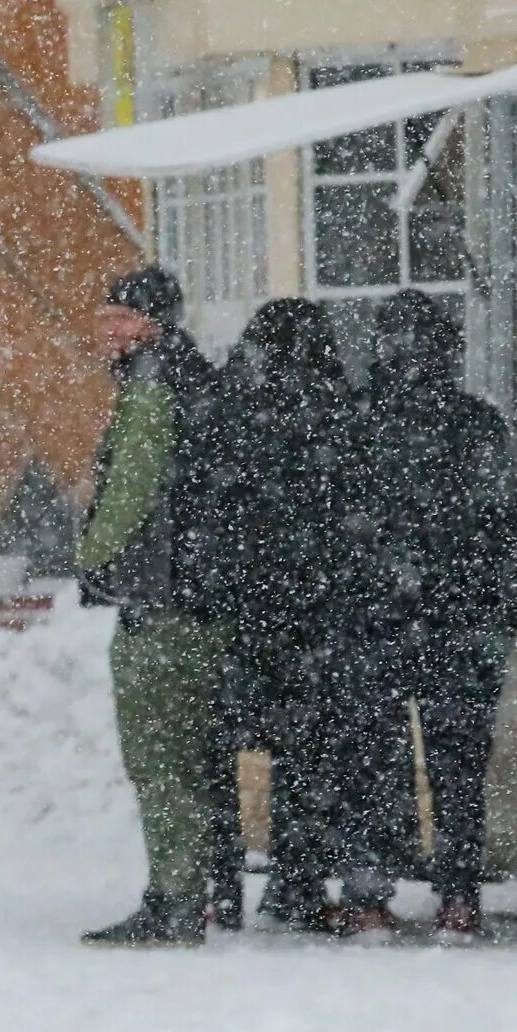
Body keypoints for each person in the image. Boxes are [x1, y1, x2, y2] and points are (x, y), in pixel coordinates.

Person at [366, 289, 517, 937]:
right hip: (454, 626)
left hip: (382, 625)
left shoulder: (364, 425)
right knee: (456, 768)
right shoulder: (477, 426)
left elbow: (334, 530)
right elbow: (508, 536)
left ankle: (372, 896)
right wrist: (496, 618)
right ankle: (457, 897)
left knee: (379, 764)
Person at [77, 266, 233, 948]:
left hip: (161, 599)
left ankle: (174, 902)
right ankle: (186, 894)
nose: (109, 329)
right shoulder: (197, 376)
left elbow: (133, 487)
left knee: (157, 757)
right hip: (201, 597)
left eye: (123, 317)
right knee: (187, 757)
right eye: (104, 316)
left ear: (155, 322)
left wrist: (91, 557)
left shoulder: (150, 386)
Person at [208, 297, 364, 930]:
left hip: (239, 609)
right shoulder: (334, 416)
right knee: (305, 755)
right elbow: (348, 515)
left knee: (219, 750)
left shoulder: (229, 412)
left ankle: (220, 884)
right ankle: (296, 886)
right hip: (310, 612)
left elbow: (210, 508)